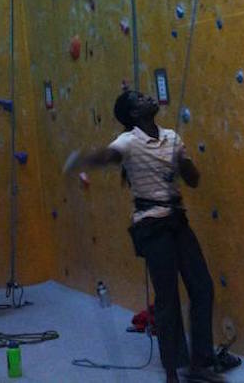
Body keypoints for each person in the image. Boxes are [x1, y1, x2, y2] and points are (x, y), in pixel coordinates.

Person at [64, 88, 226, 383]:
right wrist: (83, 159)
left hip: (176, 220)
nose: (148, 97)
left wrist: (181, 162)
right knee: (167, 297)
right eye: (139, 99)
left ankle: (200, 364)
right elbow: (110, 156)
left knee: (202, 287)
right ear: (134, 114)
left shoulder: (172, 137)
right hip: (151, 226)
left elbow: (194, 180)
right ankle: (171, 371)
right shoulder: (128, 140)